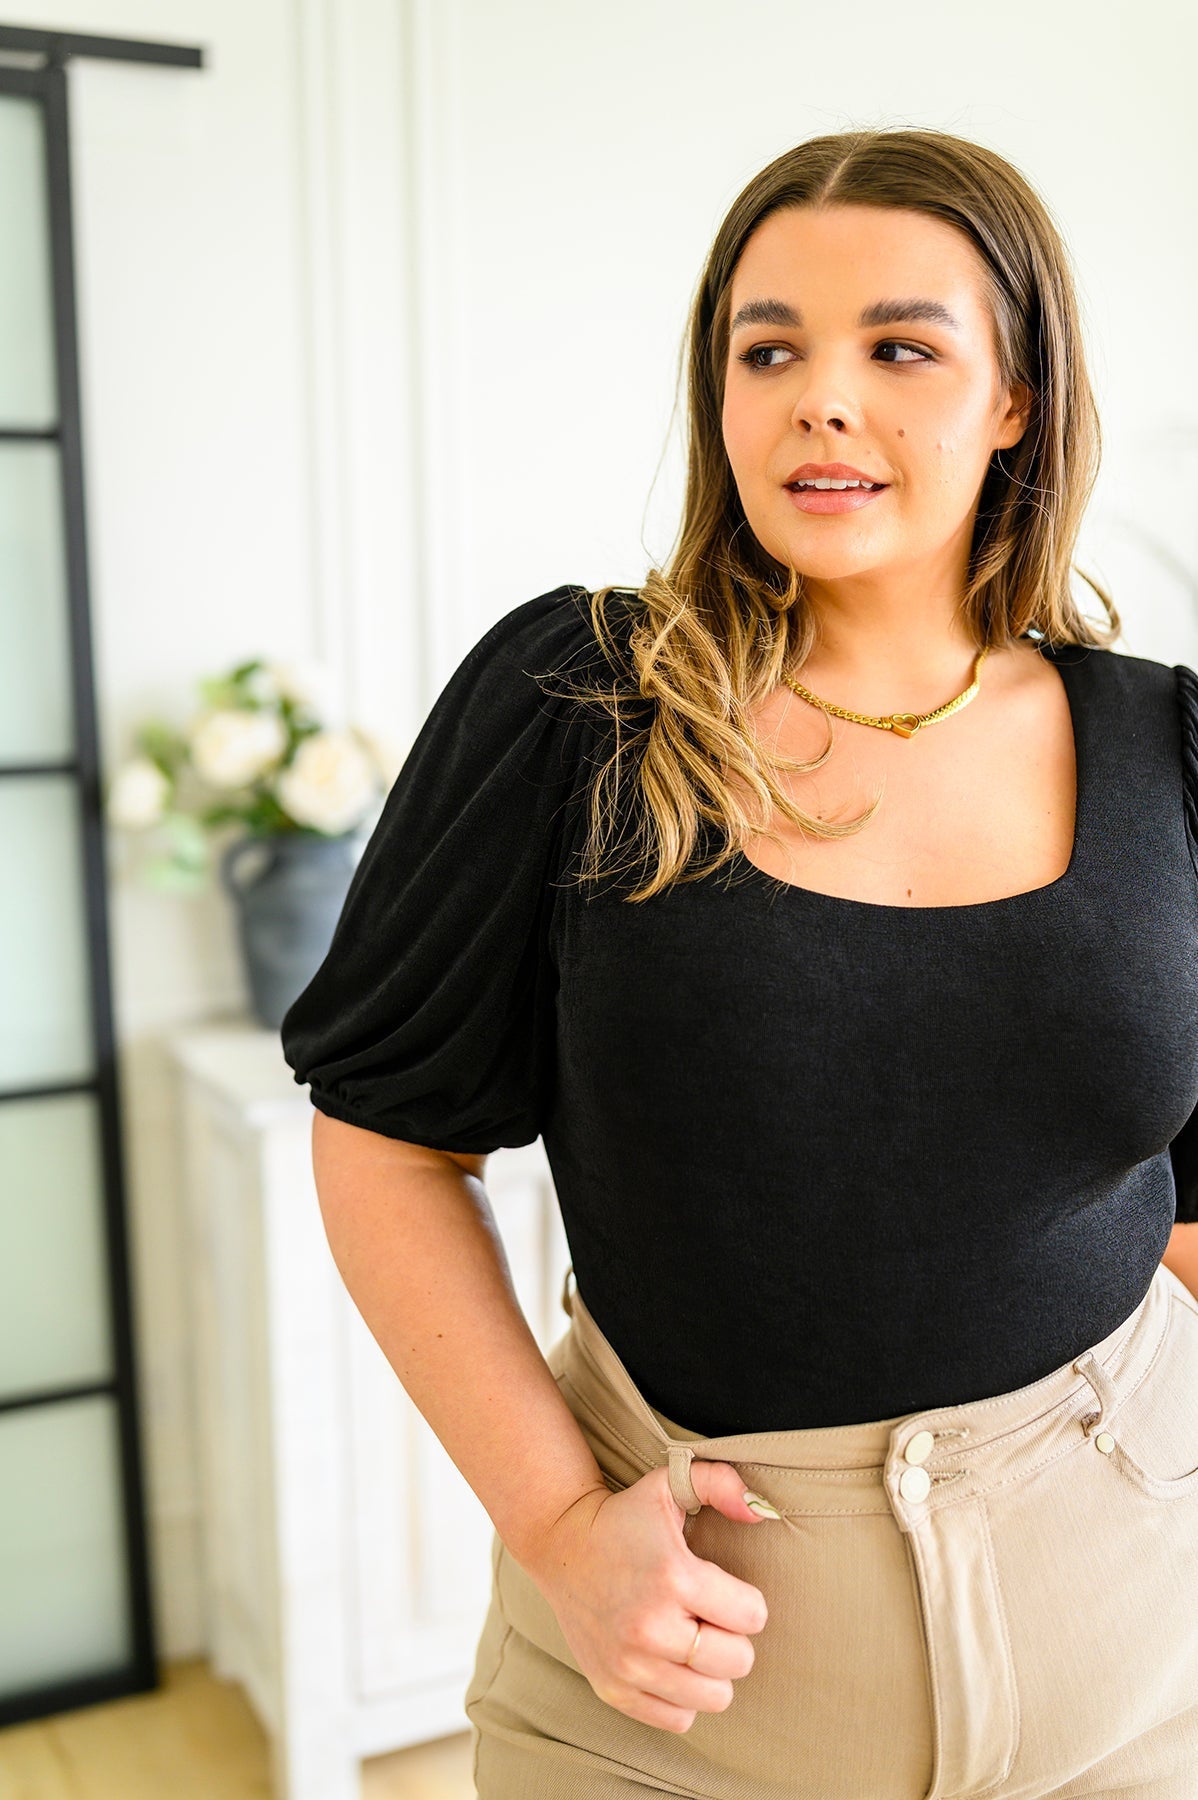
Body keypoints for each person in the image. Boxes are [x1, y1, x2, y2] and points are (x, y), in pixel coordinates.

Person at [279, 126, 1198, 1799]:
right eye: (766, 350)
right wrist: (562, 1529)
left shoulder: (1167, 750)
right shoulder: (579, 705)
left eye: (898, 349)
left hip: (1138, 1655)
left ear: (1014, 398)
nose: (818, 400)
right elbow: (387, 1143)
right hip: (672, 1697)